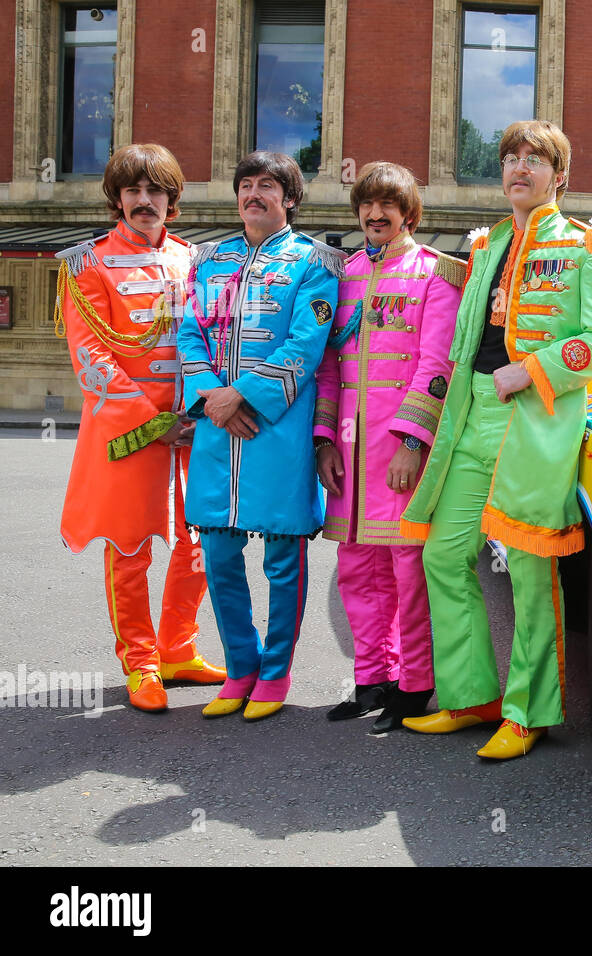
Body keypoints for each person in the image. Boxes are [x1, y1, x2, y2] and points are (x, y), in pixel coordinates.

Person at [400, 120, 592, 759]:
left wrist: (529, 370)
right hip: (468, 419)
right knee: (444, 555)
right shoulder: (488, 243)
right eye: (510, 158)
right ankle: (471, 697)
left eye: (535, 159)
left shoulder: (591, 247)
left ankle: (528, 711)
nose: (519, 168)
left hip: (533, 420)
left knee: (529, 569)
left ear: (561, 176)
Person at [54, 143, 223, 713]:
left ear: (171, 199)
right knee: (130, 548)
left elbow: (216, 343)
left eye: (156, 191)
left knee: (196, 540)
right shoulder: (86, 263)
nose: (145, 201)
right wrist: (154, 423)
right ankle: (140, 660)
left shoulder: (194, 262)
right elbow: (92, 360)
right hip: (133, 430)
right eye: (134, 191)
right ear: (118, 199)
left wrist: (200, 413)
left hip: (194, 427)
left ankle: (178, 647)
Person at [177, 151, 343, 721]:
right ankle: (240, 666)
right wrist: (211, 400)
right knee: (218, 553)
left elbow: (306, 344)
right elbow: (188, 335)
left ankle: (275, 673)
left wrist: (241, 396)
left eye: (267, 186)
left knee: (282, 559)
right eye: (246, 185)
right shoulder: (210, 261)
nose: (254, 194)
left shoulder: (314, 263)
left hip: (277, 428)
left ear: (289, 198)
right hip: (218, 431)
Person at [314, 162, 464, 733]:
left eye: (388, 206)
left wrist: (411, 442)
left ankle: (414, 685)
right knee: (356, 568)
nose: (376, 215)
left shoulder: (434, 274)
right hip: (350, 454)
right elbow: (329, 366)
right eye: (367, 206)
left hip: (399, 450)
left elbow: (436, 365)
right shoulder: (343, 275)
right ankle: (371, 679)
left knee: (408, 570)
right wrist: (324, 440)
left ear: (409, 213)